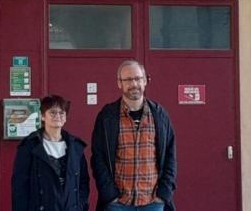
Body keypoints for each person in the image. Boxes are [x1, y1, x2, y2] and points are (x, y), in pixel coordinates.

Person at [91, 60, 176, 211]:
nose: (134, 84)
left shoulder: (160, 115)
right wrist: (109, 194)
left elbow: (170, 156)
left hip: (153, 202)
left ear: (145, 81)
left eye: (138, 78)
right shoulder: (107, 116)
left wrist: (164, 193)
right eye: (128, 79)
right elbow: (98, 157)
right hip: (117, 204)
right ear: (119, 83)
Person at [11, 95, 90, 211]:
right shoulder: (29, 146)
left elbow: (83, 181)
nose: (57, 116)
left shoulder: (76, 147)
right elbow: (20, 186)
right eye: (52, 113)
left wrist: (79, 205)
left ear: (65, 118)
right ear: (43, 116)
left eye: (61, 113)